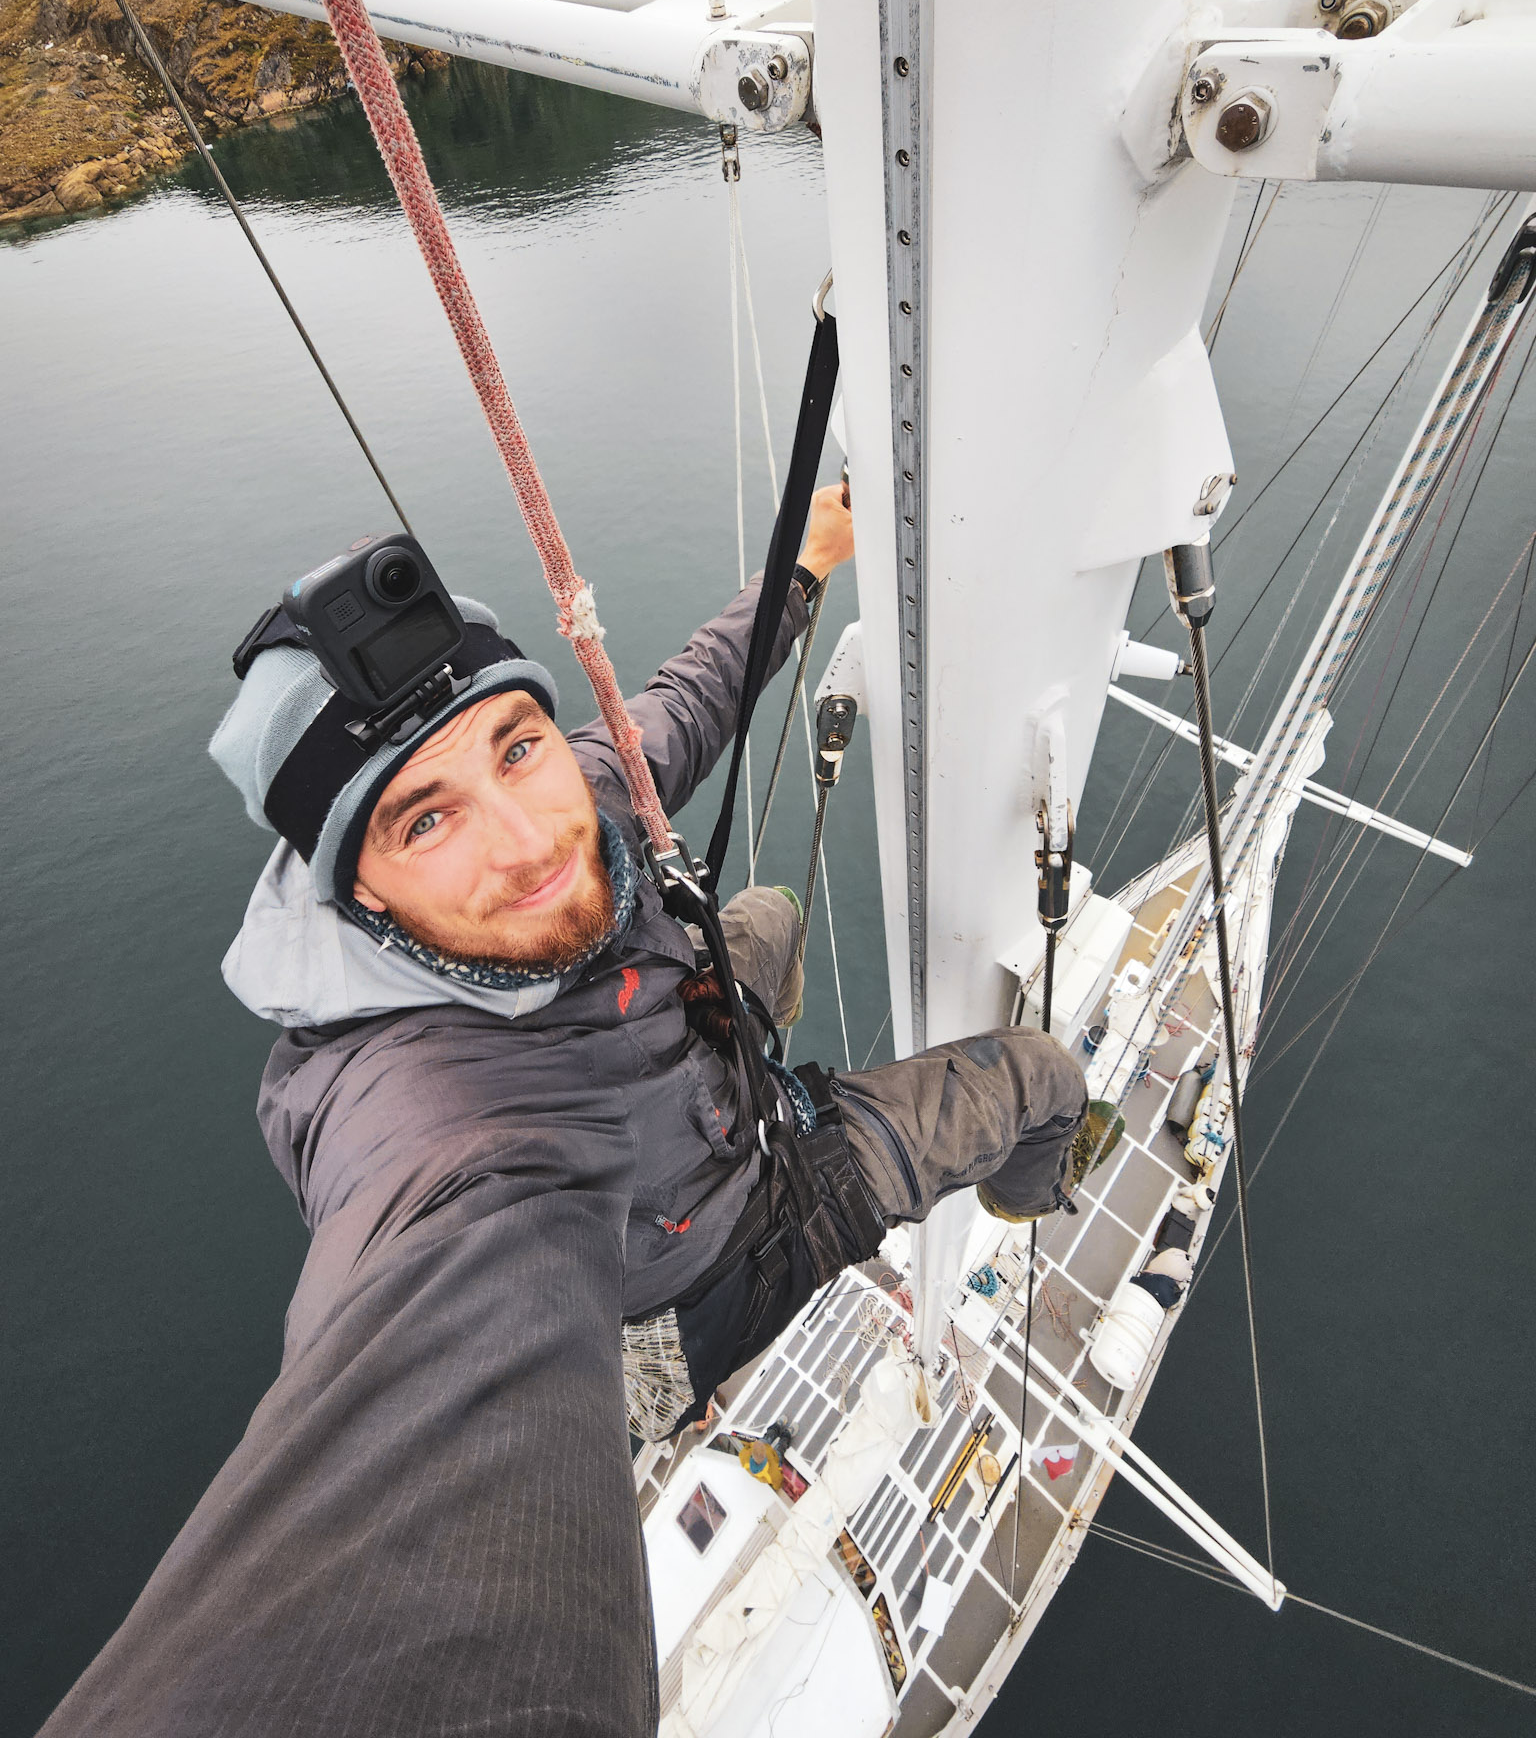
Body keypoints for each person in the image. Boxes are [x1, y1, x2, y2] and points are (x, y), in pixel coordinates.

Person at [39, 487, 1095, 1738]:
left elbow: (693, 691)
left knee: (764, 919)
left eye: (516, 746)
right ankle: (1032, 1194)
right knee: (1041, 1080)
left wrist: (805, 563)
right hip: (719, 1261)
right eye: (424, 818)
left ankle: (750, 1053)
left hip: (712, 1088)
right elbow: (430, 1359)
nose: (529, 839)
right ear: (354, 889)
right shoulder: (438, 1122)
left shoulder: (576, 793)